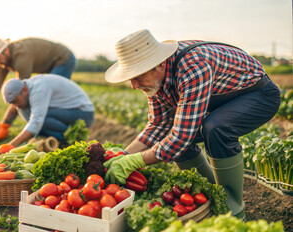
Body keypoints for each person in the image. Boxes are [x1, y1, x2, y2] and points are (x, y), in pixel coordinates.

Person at [103, 29, 280, 220]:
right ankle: (212, 196)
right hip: (223, 97)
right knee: (171, 138)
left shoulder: (193, 67)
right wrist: (124, 155)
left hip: (259, 95)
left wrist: (136, 161)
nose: (134, 85)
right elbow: (158, 125)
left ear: (160, 64)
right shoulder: (156, 80)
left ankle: (233, 208)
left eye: (138, 77)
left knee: (216, 127)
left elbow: (180, 138)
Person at [0, 36, 77, 140]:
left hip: (63, 59)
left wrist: (5, 123)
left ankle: (66, 133)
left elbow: (20, 93)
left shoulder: (22, 57)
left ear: (6, 50)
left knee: (47, 98)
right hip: (46, 67)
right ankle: (48, 130)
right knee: (42, 101)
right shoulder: (2, 61)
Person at [0, 74, 95, 150]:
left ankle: (70, 139)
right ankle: (56, 138)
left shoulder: (38, 88)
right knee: (35, 118)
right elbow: (32, 124)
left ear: (24, 90)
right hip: (67, 111)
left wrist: (11, 146)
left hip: (84, 112)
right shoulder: (24, 93)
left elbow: (36, 123)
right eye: (12, 103)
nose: (15, 106)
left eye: (16, 101)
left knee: (41, 118)